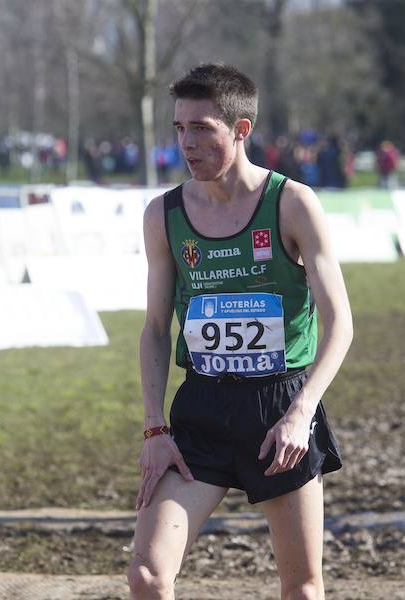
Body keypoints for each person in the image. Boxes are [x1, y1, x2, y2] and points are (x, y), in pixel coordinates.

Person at [128, 64, 352, 600]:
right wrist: (155, 428)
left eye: (202, 127)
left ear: (241, 130)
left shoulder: (293, 203)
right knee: (147, 576)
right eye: (180, 128)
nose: (187, 142)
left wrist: (301, 414)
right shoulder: (164, 213)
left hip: (278, 409)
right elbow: (157, 326)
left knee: (300, 587)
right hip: (200, 408)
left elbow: (339, 322)